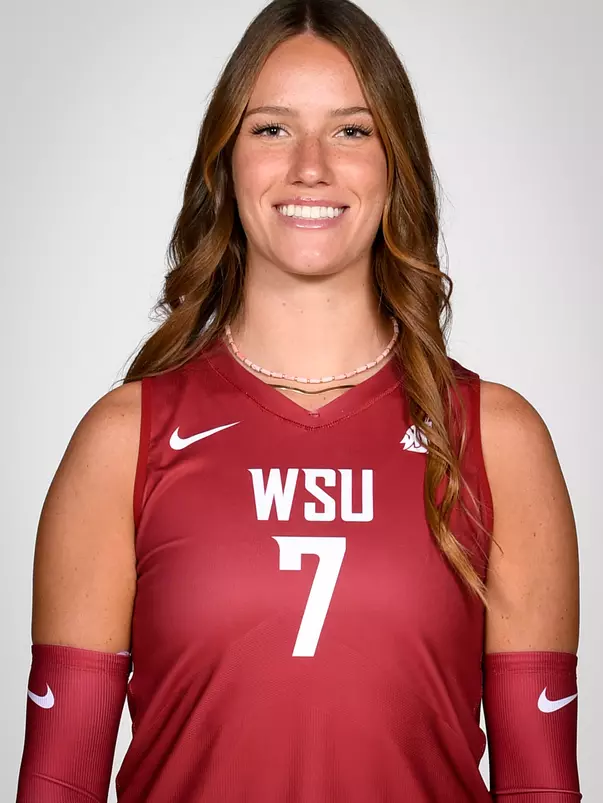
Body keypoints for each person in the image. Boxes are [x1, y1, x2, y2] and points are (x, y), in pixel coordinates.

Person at [16, 0, 581, 801]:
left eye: (352, 130)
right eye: (271, 128)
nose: (310, 165)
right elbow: (56, 786)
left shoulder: (495, 438)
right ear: (226, 162)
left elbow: (541, 789)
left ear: (397, 165)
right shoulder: (124, 440)